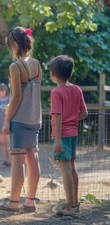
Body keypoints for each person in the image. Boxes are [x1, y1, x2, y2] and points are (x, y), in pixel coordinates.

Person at [0, 26, 42, 213]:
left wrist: (6, 120)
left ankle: (13, 203)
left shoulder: (15, 66)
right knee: (33, 157)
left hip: (20, 119)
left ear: (14, 44)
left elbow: (16, 97)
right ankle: (30, 202)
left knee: (17, 160)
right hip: (34, 118)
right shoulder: (37, 64)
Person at [49, 55, 88, 215]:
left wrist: (57, 140)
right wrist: (73, 119)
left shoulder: (56, 92)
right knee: (72, 168)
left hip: (62, 136)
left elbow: (57, 116)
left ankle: (70, 207)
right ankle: (75, 203)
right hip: (73, 134)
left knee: (65, 170)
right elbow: (84, 113)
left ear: (54, 75)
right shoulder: (77, 89)